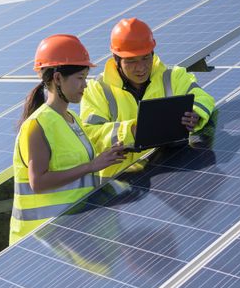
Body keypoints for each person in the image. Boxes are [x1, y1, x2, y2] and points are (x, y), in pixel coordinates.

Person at [10, 34, 128, 245]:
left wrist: (105, 157)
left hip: (72, 234)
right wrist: (91, 166)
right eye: (80, 78)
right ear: (57, 79)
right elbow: (38, 182)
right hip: (41, 242)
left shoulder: (73, 119)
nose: (85, 85)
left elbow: (79, 165)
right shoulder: (37, 125)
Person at [80, 17, 216, 179]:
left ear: (153, 53)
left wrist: (196, 114)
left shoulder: (173, 76)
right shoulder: (97, 89)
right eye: (131, 61)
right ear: (116, 60)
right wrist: (131, 131)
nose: (141, 68)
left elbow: (204, 98)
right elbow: (90, 136)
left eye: (146, 58)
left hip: (172, 169)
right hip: (122, 182)